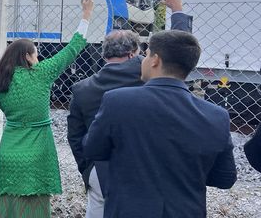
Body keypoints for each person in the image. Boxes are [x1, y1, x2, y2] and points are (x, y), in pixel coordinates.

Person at [83, 30, 237, 217]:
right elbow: (225, 178)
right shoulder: (217, 116)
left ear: (155, 60)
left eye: (146, 55)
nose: (143, 60)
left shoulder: (117, 101)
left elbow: (93, 150)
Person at [67, 0, 192, 218]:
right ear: (135, 53)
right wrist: (177, 10)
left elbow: (75, 136)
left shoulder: (82, 89)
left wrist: (88, 169)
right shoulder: (146, 74)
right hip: (149, 169)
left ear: (104, 55)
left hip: (101, 172)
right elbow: (177, 55)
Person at [0, 0, 94, 218]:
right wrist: (86, 15)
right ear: (27, 56)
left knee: (6, 206)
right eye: (36, 53)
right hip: (36, 152)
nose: (38, 57)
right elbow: (72, 50)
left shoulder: (0, 82)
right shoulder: (41, 74)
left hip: (9, 151)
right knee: (33, 208)